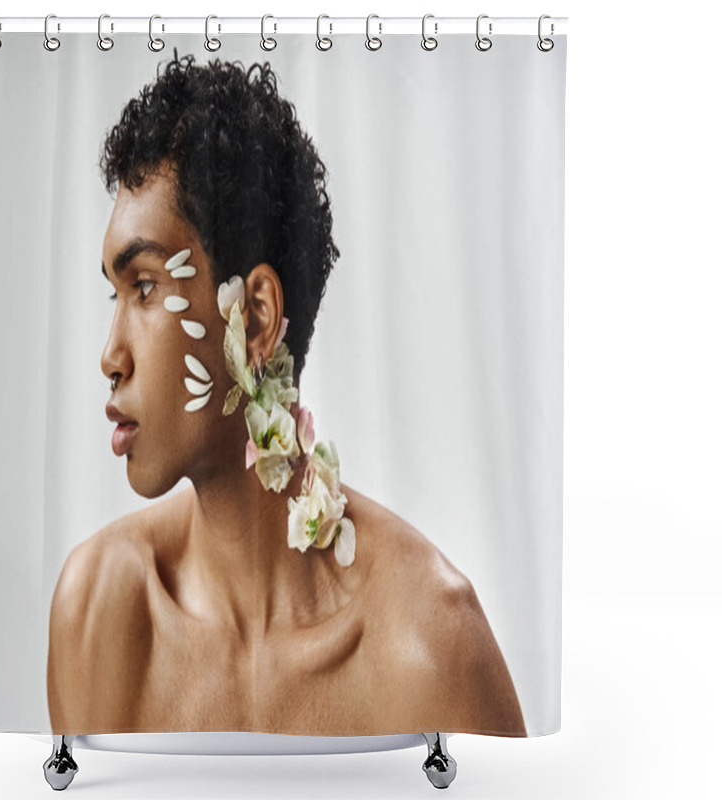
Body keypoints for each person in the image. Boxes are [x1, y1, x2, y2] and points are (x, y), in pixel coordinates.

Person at [47, 51, 526, 737]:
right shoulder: (101, 613)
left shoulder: (429, 644)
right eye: (114, 292)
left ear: (259, 319)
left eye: (146, 287)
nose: (108, 355)